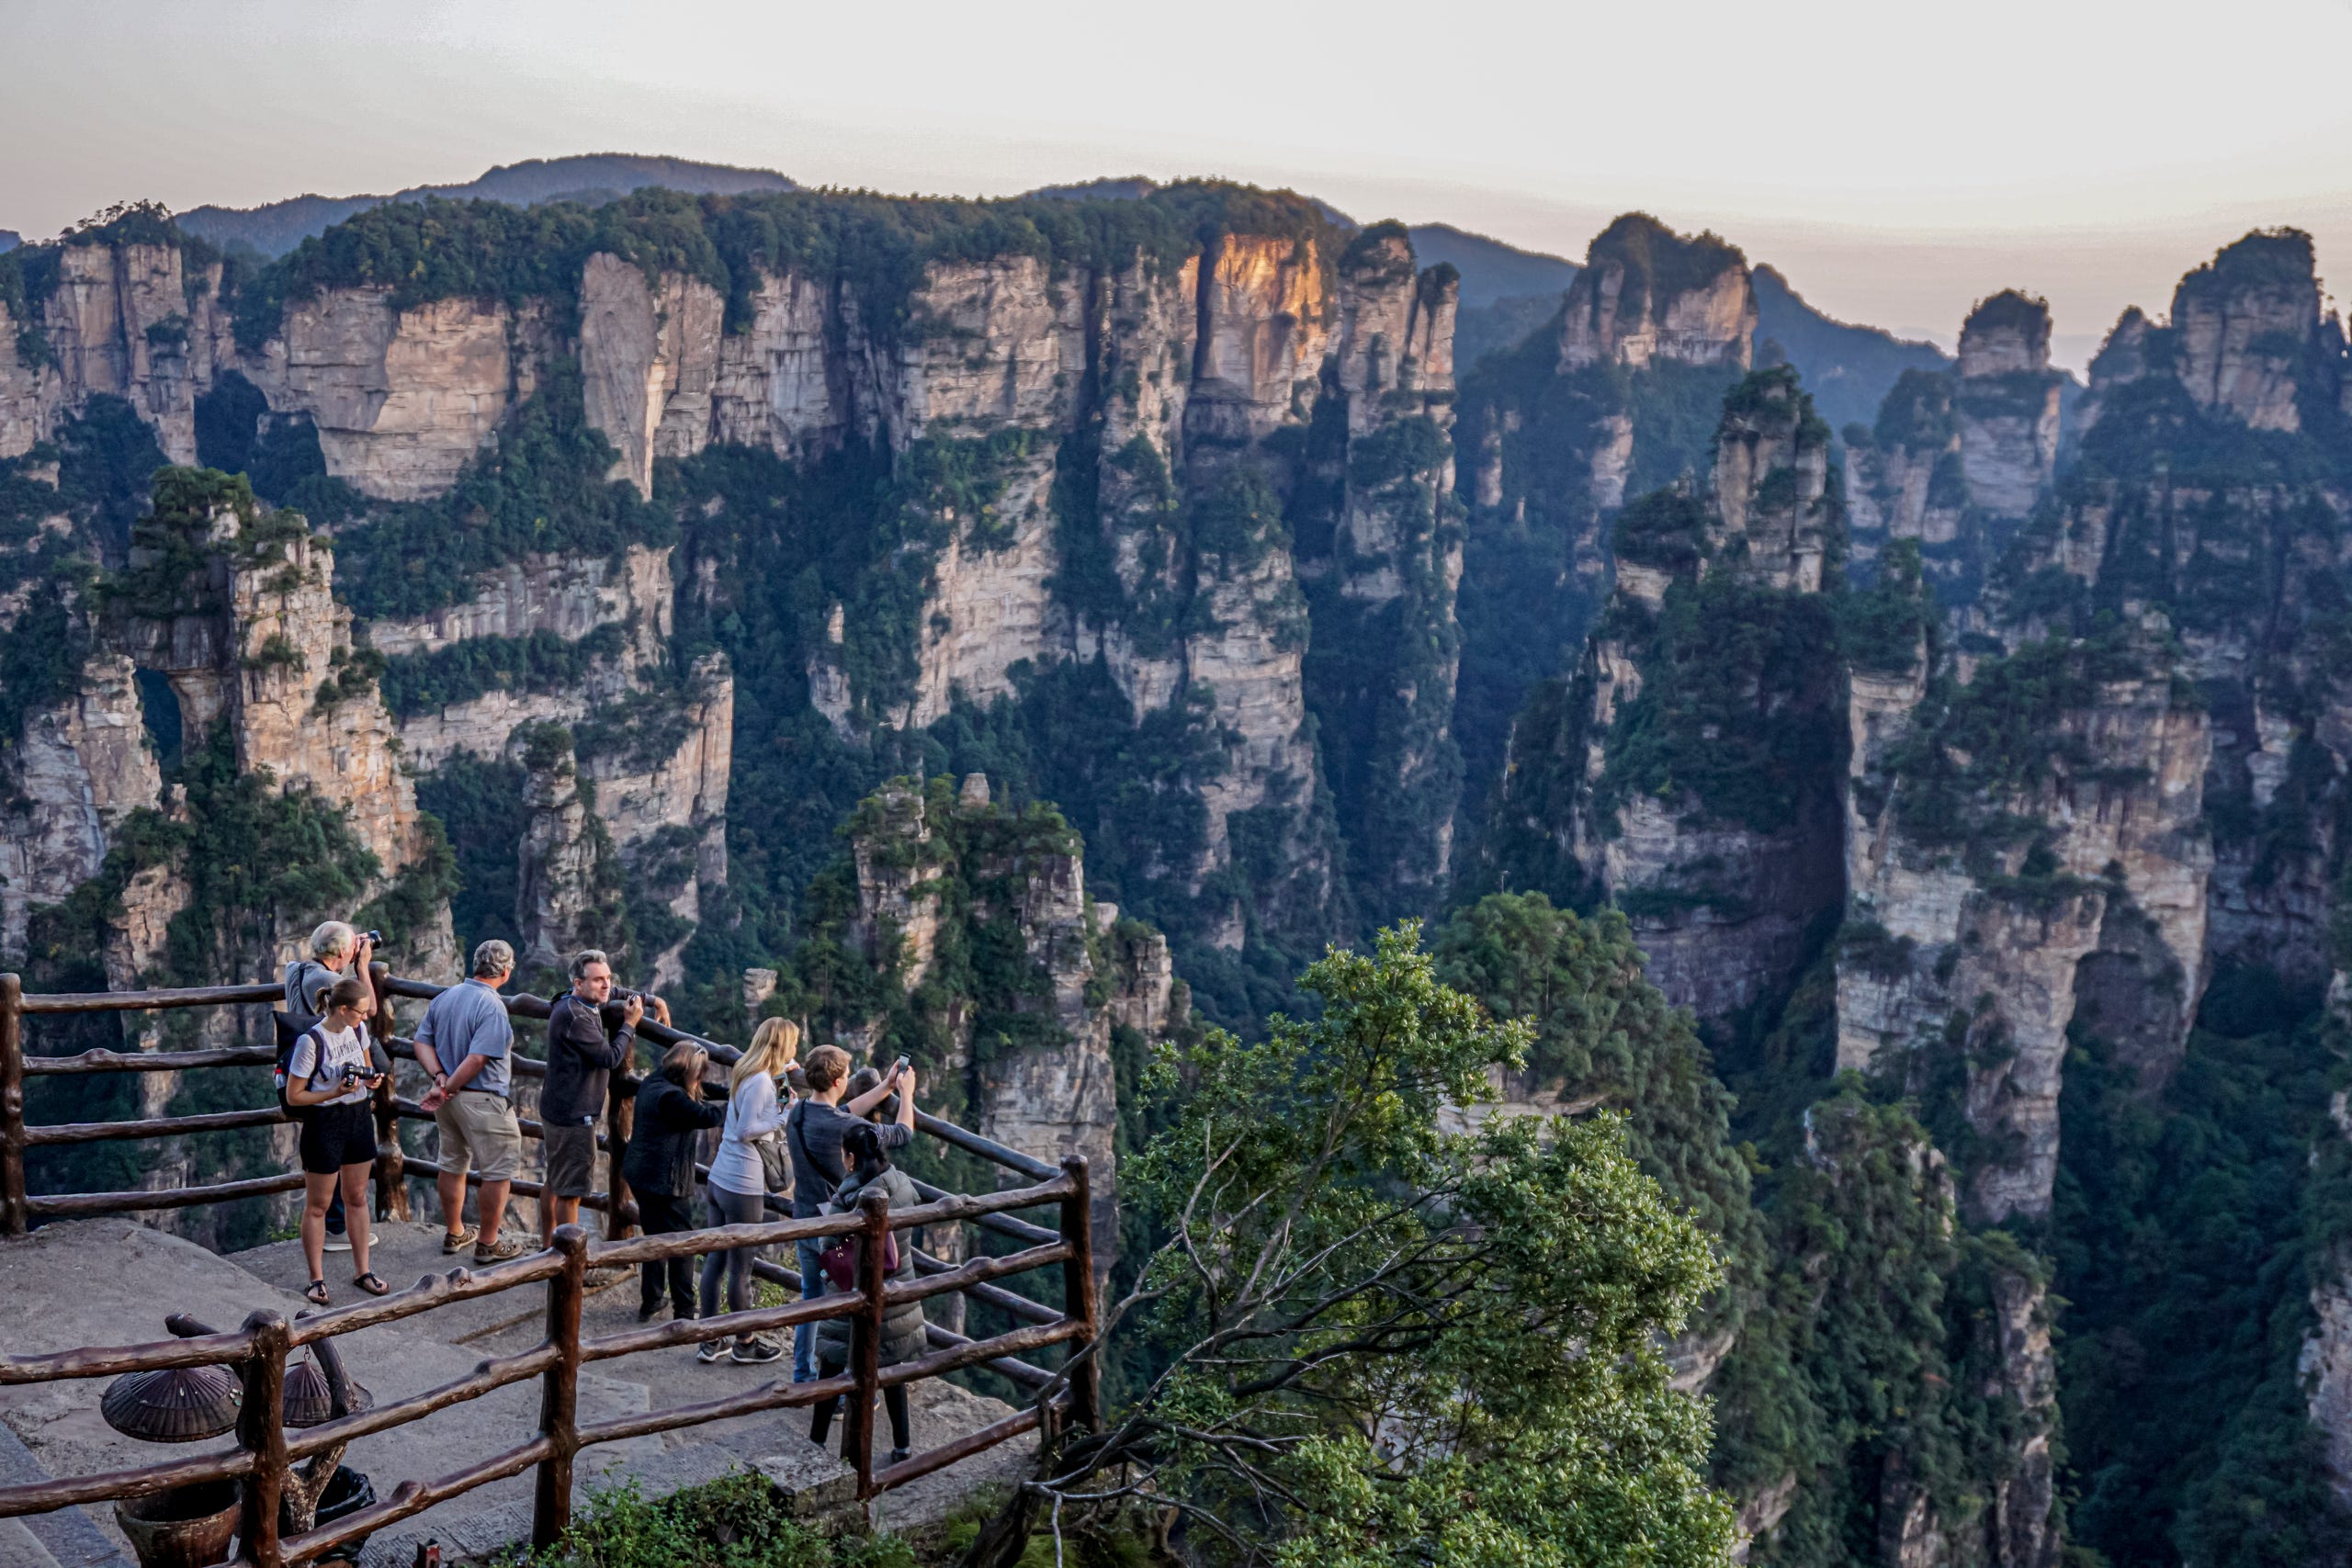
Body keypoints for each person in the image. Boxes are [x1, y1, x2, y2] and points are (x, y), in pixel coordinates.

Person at [784, 1045, 914, 1382]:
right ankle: (844, 1386)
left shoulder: (798, 1113)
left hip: (804, 1222)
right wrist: (906, 1094)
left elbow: (841, 1110)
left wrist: (884, 1087)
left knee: (811, 1300)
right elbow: (903, 1133)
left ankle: (803, 1375)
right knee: (847, 1306)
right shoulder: (844, 1128)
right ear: (841, 1080)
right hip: (838, 1228)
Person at [807, 1122, 925, 1465]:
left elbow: (827, 1246)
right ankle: (902, 1447)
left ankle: (815, 1444)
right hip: (898, 1293)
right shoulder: (902, 1183)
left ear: (851, 1157)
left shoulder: (850, 1195)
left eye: (844, 1153)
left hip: (857, 1293)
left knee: (829, 1362)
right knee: (891, 1368)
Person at [539, 950, 668, 1243]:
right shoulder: (576, 1017)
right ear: (578, 983)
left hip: (557, 1108)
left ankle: (547, 1246)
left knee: (555, 1180)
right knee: (570, 1193)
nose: (606, 985)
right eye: (598, 980)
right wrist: (630, 1024)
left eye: (608, 978)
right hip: (573, 1116)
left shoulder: (573, 1001)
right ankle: (566, 1260)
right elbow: (609, 1058)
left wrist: (652, 999)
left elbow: (614, 991)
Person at [415, 940, 528, 1264]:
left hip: (449, 1102)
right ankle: (489, 1243)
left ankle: (455, 1232)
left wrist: (440, 1080)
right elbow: (478, 1058)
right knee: (497, 1170)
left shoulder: (446, 996)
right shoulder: (491, 1006)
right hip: (483, 1099)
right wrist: (448, 1085)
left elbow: (421, 1041)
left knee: (452, 1163)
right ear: (506, 972)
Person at [696, 1018, 802, 1365]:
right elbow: (746, 1130)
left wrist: (785, 1074)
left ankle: (710, 1339)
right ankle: (744, 1342)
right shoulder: (759, 1081)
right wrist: (781, 1120)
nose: (796, 1051)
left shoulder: (749, 1069)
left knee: (716, 1259)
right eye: (792, 1045)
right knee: (741, 1268)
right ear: (780, 1045)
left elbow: (776, 1093)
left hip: (720, 1177)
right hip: (742, 1184)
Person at [285, 976, 391, 1305]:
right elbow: (294, 1096)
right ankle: (316, 1279)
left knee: (357, 1196)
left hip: (358, 1116)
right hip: (324, 1121)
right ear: (342, 1009)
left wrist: (371, 1080)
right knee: (318, 1204)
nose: (365, 1018)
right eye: (360, 1012)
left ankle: (363, 1270)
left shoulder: (357, 1030)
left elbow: (367, 1065)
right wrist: (333, 1092)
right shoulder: (311, 1042)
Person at [281, 921, 379, 1254]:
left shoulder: (299, 969)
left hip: (310, 1070)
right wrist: (363, 967)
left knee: (330, 1158)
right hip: (321, 1078)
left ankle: (335, 1225)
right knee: (332, 1161)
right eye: (352, 947)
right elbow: (369, 1008)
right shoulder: (326, 981)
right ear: (342, 952)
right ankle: (336, 1228)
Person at [619, 1039, 727, 1324]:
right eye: (700, 1072)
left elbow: (706, 1092)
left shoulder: (656, 1080)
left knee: (654, 1237)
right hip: (664, 1181)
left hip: (641, 1175)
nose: (703, 1078)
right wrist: (758, 1097)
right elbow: (709, 1115)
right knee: (682, 1243)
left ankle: (651, 1301)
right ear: (690, 1071)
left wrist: (733, 1090)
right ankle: (684, 1309)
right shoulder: (673, 1099)